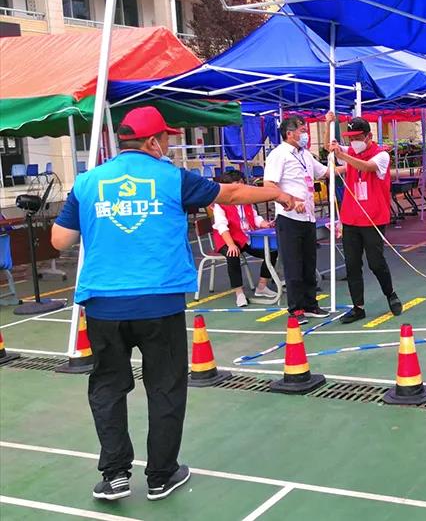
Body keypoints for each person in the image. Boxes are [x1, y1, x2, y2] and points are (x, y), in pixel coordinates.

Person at [51, 106, 298, 502]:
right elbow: (231, 193)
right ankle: (161, 475)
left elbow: (60, 240)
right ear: (152, 142)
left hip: (103, 304)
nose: (168, 144)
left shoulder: (87, 182)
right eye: (165, 138)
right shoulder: (172, 178)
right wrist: (279, 193)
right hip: (158, 302)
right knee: (164, 387)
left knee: (108, 387)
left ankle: (114, 475)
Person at [327, 114, 402, 324]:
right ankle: (358, 307)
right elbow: (329, 148)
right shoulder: (350, 151)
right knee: (352, 264)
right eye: (350, 138)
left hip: (373, 218)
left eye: (357, 137)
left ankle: (390, 293)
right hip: (351, 218)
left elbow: (367, 167)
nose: (353, 142)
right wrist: (328, 125)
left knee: (376, 263)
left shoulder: (381, 155)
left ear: (369, 136)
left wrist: (343, 154)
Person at [264, 115, 331, 322]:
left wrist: (352, 163)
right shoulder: (279, 155)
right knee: (293, 265)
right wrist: (291, 201)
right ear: (290, 133)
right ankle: (296, 309)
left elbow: (326, 172)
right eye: (302, 131)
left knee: (309, 264)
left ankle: (311, 304)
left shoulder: (305, 155)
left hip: (308, 217)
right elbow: (269, 185)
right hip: (289, 217)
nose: (306, 134)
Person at [211, 170, 277, 307]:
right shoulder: (220, 204)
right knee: (233, 255)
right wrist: (231, 245)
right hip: (227, 239)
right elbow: (221, 226)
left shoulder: (246, 201)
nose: (241, 187)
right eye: (237, 184)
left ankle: (262, 286)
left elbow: (255, 217)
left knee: (271, 250)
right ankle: (239, 293)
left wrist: (265, 224)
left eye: (242, 184)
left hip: (246, 238)